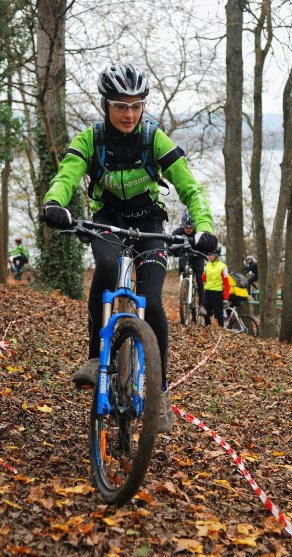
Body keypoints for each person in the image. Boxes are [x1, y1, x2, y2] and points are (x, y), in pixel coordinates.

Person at [42, 63, 217, 432]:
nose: (129, 114)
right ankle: (94, 358)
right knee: (106, 267)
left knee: (152, 299)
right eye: (121, 105)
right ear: (106, 105)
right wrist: (55, 203)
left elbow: (190, 188)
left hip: (149, 224)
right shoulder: (92, 139)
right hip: (108, 221)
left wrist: (203, 227)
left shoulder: (154, 139)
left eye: (136, 105)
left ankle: (161, 390)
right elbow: (67, 176)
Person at [171, 211, 206, 313]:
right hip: (185, 255)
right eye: (186, 227)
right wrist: (170, 250)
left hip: (197, 256)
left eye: (190, 227)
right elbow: (170, 242)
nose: (188, 229)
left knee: (199, 279)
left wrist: (204, 252)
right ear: (183, 225)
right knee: (182, 269)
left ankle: (201, 305)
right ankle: (183, 288)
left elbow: (205, 244)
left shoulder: (198, 233)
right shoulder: (178, 232)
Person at [201, 247, 229, 327]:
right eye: (209, 255)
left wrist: (226, 298)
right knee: (206, 313)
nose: (209, 256)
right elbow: (204, 278)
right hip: (207, 292)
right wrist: (203, 272)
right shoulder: (207, 265)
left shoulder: (223, 267)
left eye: (211, 255)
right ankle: (207, 329)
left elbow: (226, 283)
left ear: (216, 255)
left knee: (219, 315)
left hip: (217, 293)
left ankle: (221, 330)